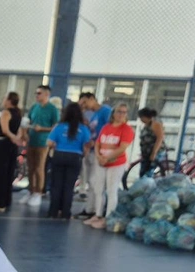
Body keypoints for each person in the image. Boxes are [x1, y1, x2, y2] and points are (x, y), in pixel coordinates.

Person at [85, 103, 133, 229]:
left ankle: (108, 217)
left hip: (116, 164)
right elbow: (98, 144)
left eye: (124, 112)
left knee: (111, 190)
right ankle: (98, 214)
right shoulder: (106, 127)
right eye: (118, 111)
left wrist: (108, 158)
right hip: (101, 162)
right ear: (113, 113)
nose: (121, 114)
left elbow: (122, 148)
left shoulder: (127, 129)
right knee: (98, 188)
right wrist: (99, 157)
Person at [45, 103, 92, 220]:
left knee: (56, 185)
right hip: (75, 157)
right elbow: (87, 144)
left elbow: (49, 142)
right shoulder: (83, 128)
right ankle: (66, 213)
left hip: (59, 155)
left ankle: (53, 212)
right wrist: (83, 154)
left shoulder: (59, 127)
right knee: (68, 186)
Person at [75, 92, 112, 221]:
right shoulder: (93, 115)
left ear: (92, 99)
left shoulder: (105, 111)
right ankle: (90, 208)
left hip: (99, 151)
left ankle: (97, 210)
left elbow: (110, 129)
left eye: (85, 102)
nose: (84, 106)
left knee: (96, 182)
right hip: (90, 150)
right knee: (91, 181)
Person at [0, 92, 23, 212]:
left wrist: (13, 138)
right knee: (8, 172)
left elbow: (5, 129)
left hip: (2, 144)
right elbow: (19, 130)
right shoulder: (18, 113)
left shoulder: (6, 112)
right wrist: (16, 138)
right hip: (11, 146)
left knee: (0, 173)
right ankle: (6, 200)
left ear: (9, 100)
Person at [26, 86, 59, 207]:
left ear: (46, 94)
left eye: (39, 93)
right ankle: (31, 190)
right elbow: (28, 121)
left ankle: (39, 192)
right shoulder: (34, 107)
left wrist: (43, 129)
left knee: (39, 167)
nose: (37, 95)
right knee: (30, 167)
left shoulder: (53, 109)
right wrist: (25, 132)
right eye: (36, 93)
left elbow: (56, 127)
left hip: (43, 142)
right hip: (31, 141)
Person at [136, 107, 164, 178]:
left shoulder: (155, 123)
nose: (141, 120)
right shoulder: (147, 124)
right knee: (143, 172)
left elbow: (160, 138)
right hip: (146, 153)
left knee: (148, 173)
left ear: (146, 117)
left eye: (141, 118)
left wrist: (154, 153)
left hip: (154, 152)